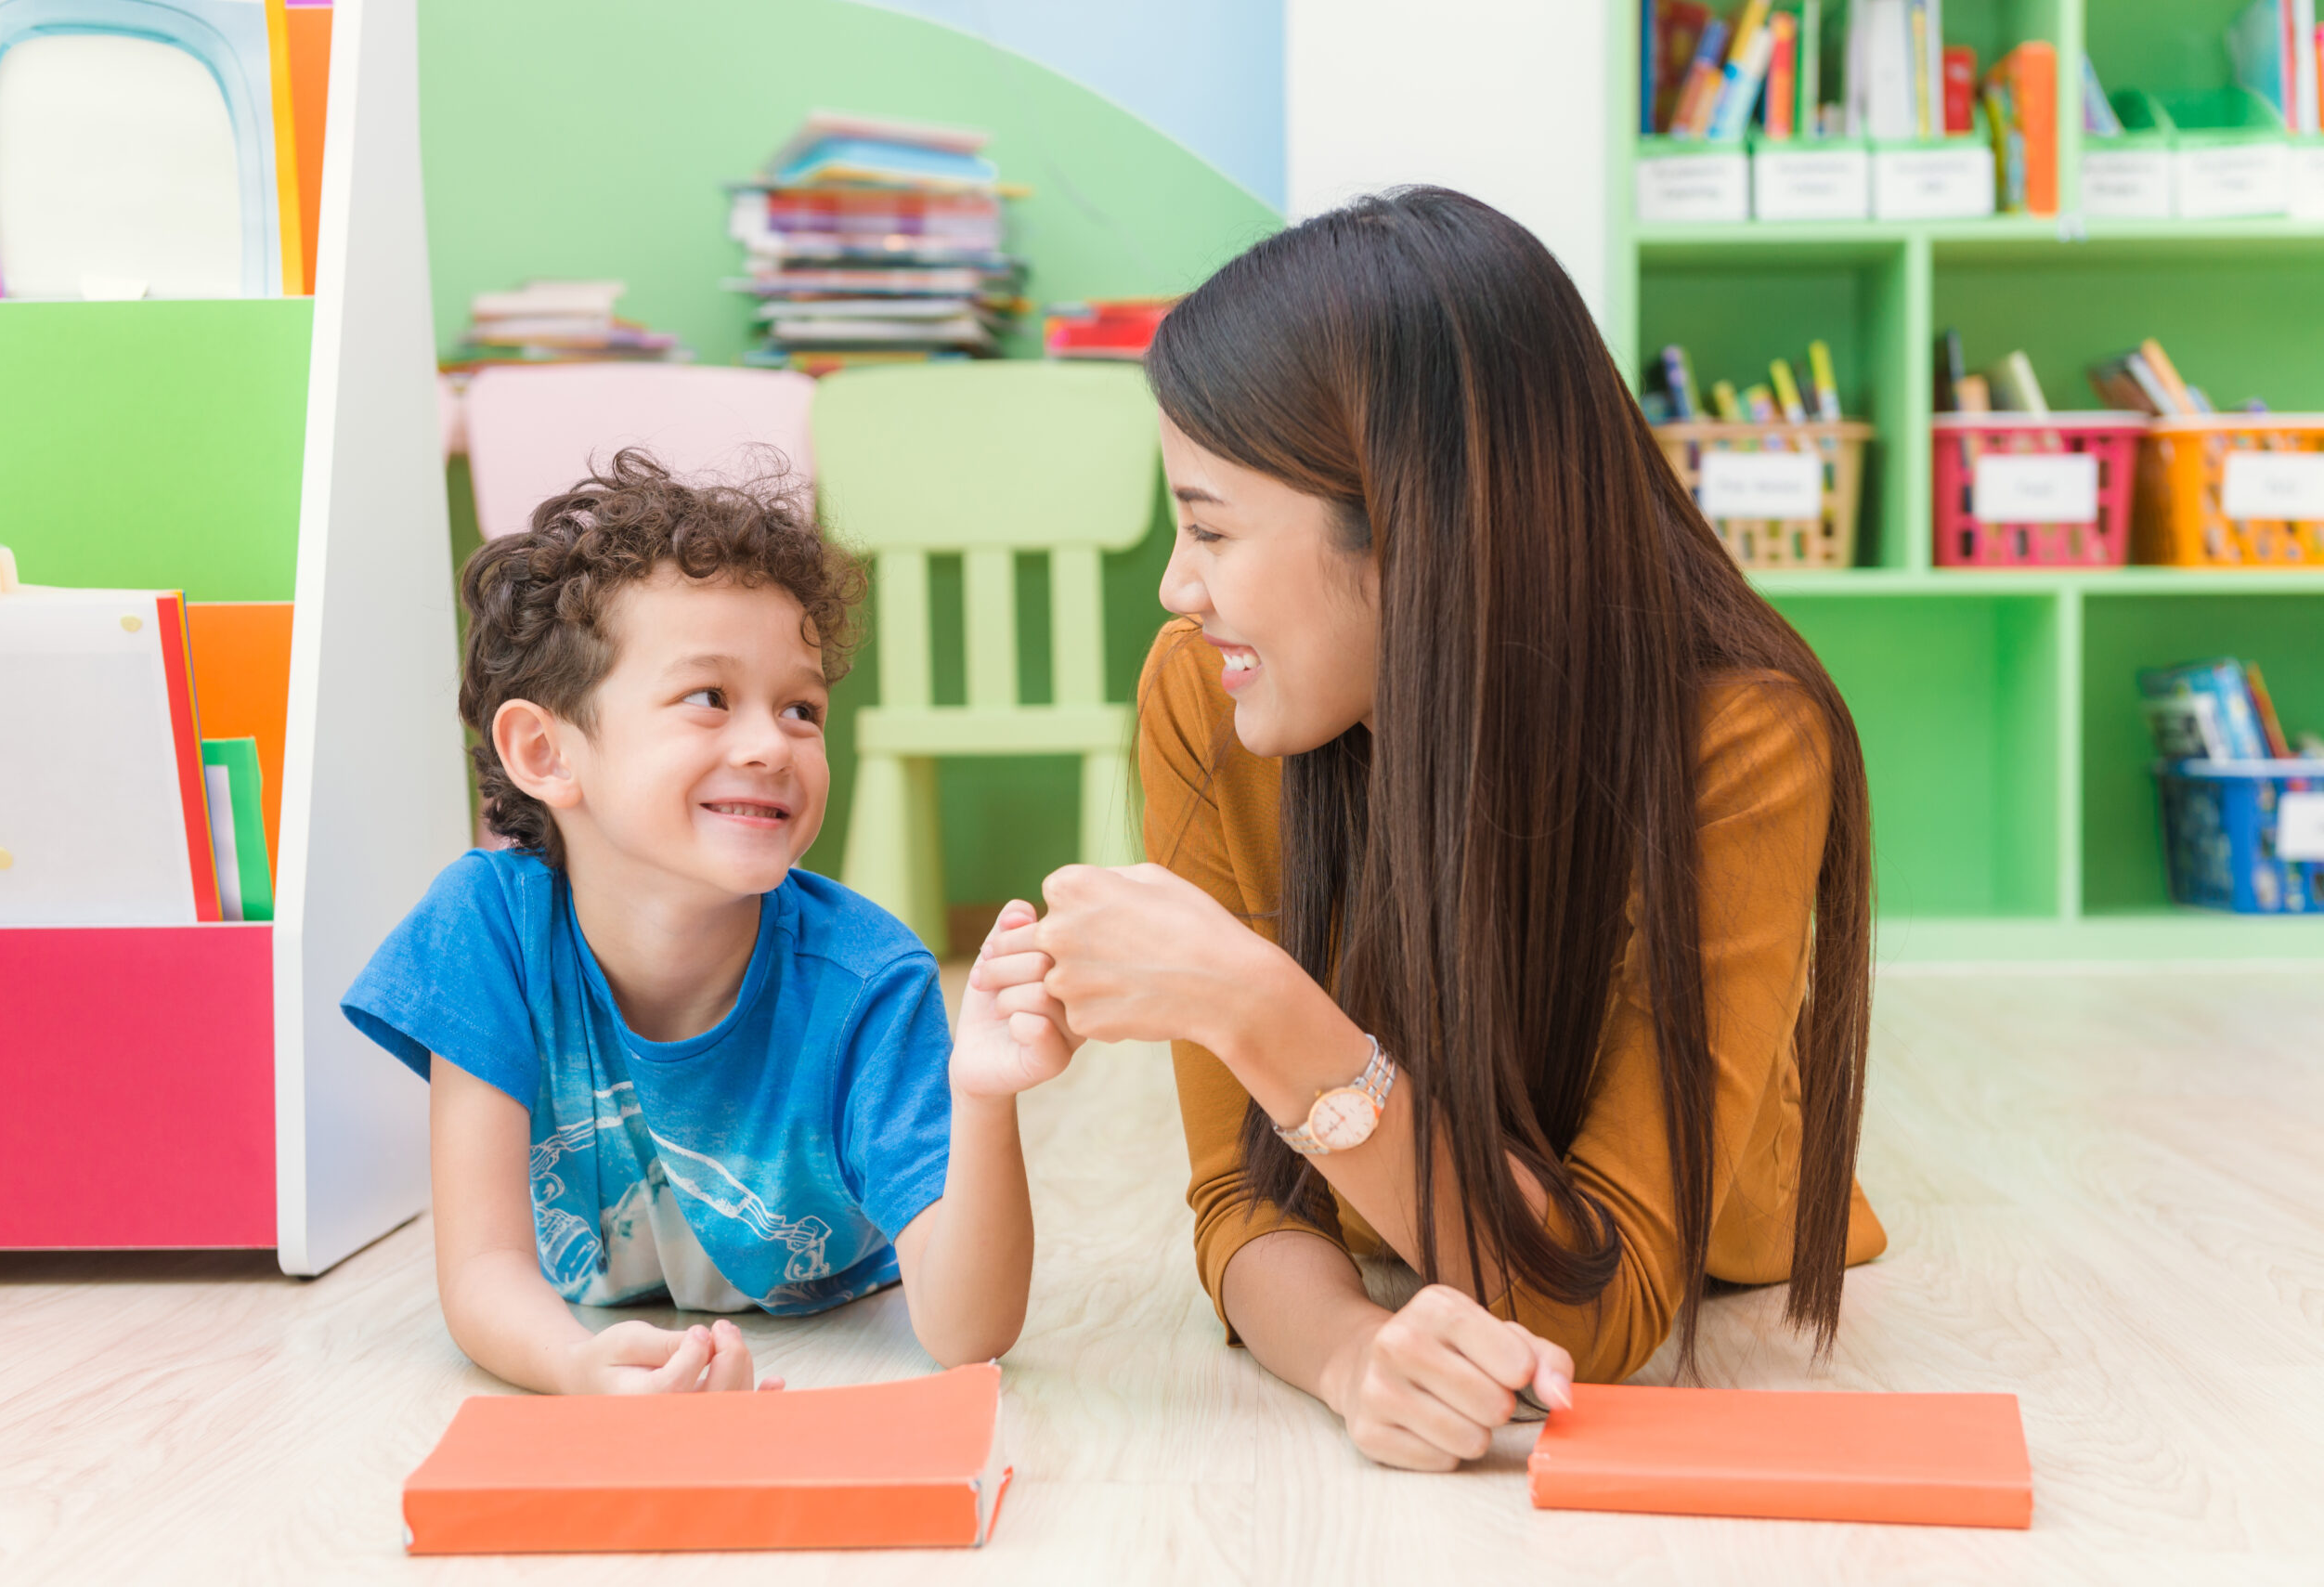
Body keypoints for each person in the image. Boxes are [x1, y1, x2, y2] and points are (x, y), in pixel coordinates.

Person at [1002, 188, 1888, 1471]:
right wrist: (1352, 1351)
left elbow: (1606, 1298)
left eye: (1209, 527)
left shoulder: (1739, 741)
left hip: (1708, 1283)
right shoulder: (1204, 691)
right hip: (1392, 1245)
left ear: (1413, 534)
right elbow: (1245, 1201)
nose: (1176, 586)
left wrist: (1255, 1004)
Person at [343, 450, 1075, 1395]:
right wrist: (572, 1363)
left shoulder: (868, 978)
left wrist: (982, 1098)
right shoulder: (485, 927)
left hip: (829, 1314)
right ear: (545, 751)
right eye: (709, 698)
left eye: (801, 707)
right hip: (591, 1314)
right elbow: (483, 1268)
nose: (772, 743)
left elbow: (967, 1331)